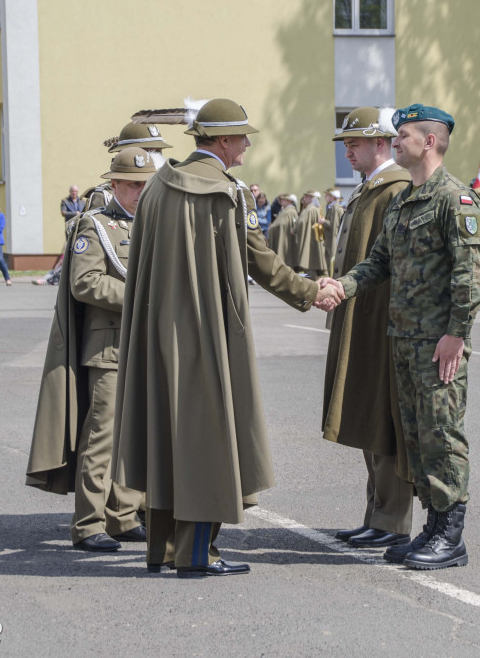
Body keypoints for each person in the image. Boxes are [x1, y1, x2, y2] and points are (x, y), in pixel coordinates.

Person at [111, 98, 344, 578]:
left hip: (157, 333)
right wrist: (309, 291)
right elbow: (261, 261)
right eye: (241, 136)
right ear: (220, 141)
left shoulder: (156, 188)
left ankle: (164, 549)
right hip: (206, 332)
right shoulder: (226, 193)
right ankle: (198, 552)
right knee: (209, 438)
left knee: (167, 436)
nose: (247, 144)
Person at [332, 103, 480, 570]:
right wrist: (341, 287)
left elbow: (470, 276)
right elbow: (378, 263)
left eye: (403, 136)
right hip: (403, 341)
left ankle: (451, 535)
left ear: (430, 142)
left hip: (438, 344)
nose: (395, 142)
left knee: (442, 436)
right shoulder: (403, 202)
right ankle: (432, 525)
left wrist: (455, 335)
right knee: (417, 440)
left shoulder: (455, 200)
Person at [26, 147, 155, 552]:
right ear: (114, 184)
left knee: (139, 438)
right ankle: (88, 524)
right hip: (110, 347)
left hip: (146, 348)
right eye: (132, 185)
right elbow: (85, 283)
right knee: (102, 439)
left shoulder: (153, 224)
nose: (139, 192)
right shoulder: (95, 226)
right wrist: (141, 295)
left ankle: (123, 515)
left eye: (145, 185)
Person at [323, 107, 414, 550]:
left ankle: (392, 519)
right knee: (366, 413)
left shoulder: (394, 189)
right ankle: (377, 512)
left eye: (354, 143)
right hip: (362, 314)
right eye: (345, 144)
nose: (347, 152)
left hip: (382, 320)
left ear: (381, 142)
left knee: (384, 416)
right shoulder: (371, 189)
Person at [294, 190, 328, 276]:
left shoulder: (310, 209)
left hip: (310, 238)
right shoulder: (313, 208)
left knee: (309, 262)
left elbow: (301, 222)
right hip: (311, 238)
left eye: (307, 196)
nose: (304, 198)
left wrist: (295, 228)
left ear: (312, 197)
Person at [268, 193, 298, 265]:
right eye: (281, 199)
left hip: (286, 238)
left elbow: (286, 224)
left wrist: (274, 226)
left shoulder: (290, 211)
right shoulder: (284, 210)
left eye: (283, 199)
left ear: (289, 201)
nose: (281, 201)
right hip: (280, 236)